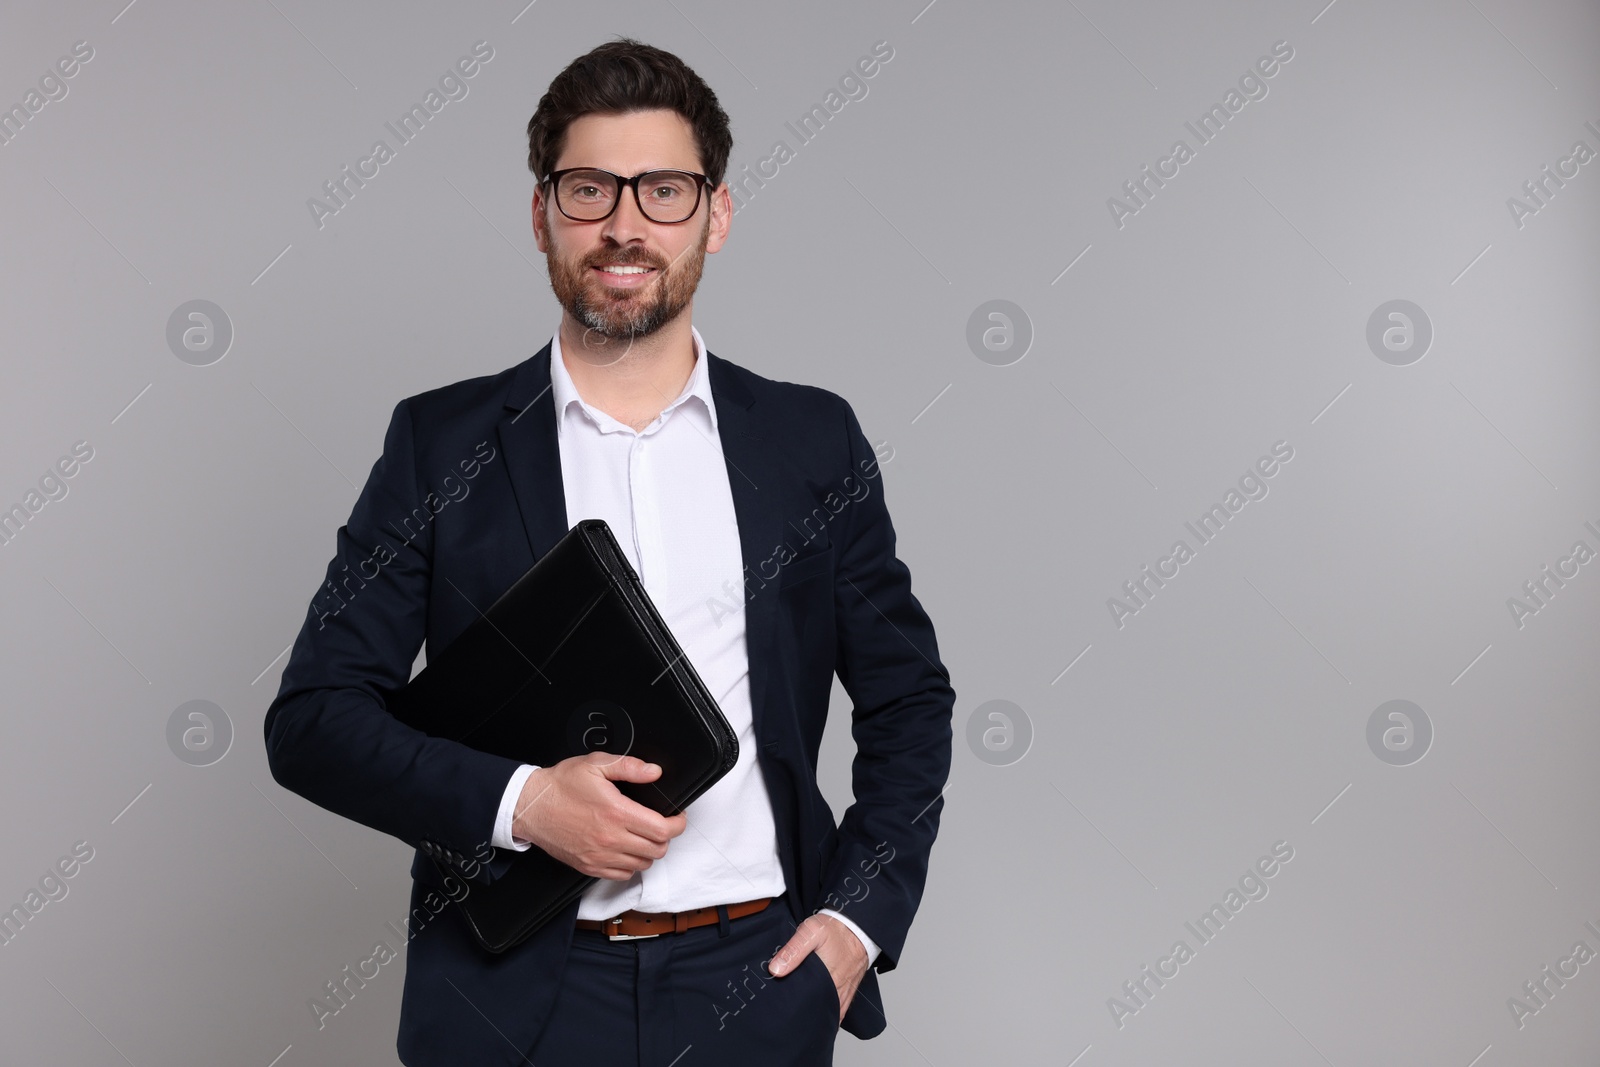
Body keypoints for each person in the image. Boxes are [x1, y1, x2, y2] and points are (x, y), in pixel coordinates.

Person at [264, 37, 954, 1067]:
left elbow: (908, 700)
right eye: (590, 188)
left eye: (663, 190)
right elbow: (313, 719)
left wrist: (855, 925)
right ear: (541, 212)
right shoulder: (440, 444)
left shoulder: (812, 442)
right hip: (514, 996)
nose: (625, 223)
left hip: (755, 985)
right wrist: (524, 803)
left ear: (715, 216)